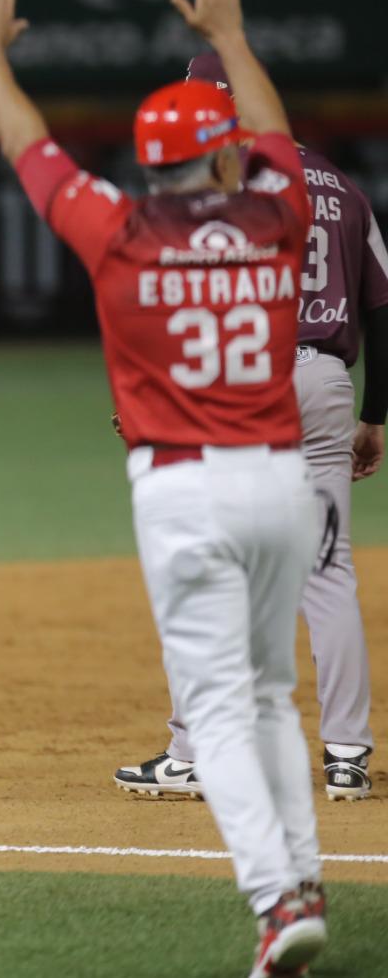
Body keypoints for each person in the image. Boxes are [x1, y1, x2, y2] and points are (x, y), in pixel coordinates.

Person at [0, 0, 328, 975]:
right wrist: (230, 38)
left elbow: (26, 144)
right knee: (270, 694)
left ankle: (277, 903)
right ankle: (303, 879)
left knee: (215, 706)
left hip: (183, 488)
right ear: (220, 159)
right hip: (280, 480)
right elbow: (277, 136)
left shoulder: (118, 229)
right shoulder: (276, 217)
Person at [115, 51, 385, 803]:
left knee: (207, 567)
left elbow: (183, 296)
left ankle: (196, 752)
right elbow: (384, 308)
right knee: (328, 572)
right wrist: (375, 414)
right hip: (326, 382)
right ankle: (348, 755)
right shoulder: (342, 186)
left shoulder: (222, 187)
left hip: (241, 387)